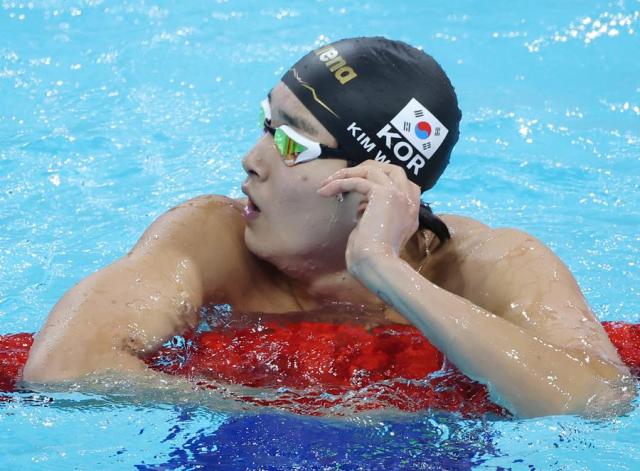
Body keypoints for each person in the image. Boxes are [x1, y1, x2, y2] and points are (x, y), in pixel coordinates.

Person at [22, 37, 635, 418]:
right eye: (267, 122)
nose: (252, 158)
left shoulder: (489, 264)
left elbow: (596, 397)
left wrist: (389, 275)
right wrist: (294, 410)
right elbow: (63, 368)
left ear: (371, 182)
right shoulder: (211, 239)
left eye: (291, 141)